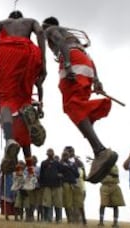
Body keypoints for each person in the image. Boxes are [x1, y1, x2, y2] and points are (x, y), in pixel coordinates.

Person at [41, 16, 117, 184]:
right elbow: (88, 56)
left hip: (72, 63)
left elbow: (60, 42)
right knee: (78, 107)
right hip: (86, 64)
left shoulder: (50, 30)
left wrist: (67, 64)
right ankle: (98, 150)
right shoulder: (72, 37)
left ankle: (100, 150)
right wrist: (96, 79)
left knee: (72, 106)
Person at [0, 10, 47, 194]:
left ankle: (10, 139)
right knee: (23, 107)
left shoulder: (3, 22)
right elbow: (41, 33)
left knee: (5, 102)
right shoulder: (31, 21)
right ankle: (25, 173)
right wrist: (43, 60)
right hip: (28, 55)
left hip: (6, 54)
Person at [39, 148, 64, 223]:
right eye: (48, 152)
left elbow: (63, 172)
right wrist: (41, 185)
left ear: (53, 153)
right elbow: (41, 175)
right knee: (47, 203)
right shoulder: (44, 163)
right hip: (47, 186)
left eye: (51, 152)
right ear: (47, 154)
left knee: (58, 203)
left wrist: (60, 176)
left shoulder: (57, 163)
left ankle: (58, 219)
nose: (50, 153)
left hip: (57, 185)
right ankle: (47, 219)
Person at [66, 146, 87, 225]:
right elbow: (85, 176)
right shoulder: (78, 162)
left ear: (71, 152)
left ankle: (81, 221)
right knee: (73, 205)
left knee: (78, 205)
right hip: (76, 186)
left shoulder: (78, 163)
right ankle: (75, 221)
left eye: (67, 152)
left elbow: (83, 176)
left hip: (79, 186)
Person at [60, 150, 79, 223]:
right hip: (66, 184)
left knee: (75, 202)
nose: (65, 156)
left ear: (69, 156)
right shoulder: (60, 164)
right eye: (64, 155)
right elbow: (60, 173)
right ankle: (69, 219)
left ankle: (75, 218)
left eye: (67, 155)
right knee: (67, 202)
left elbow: (77, 174)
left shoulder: (73, 164)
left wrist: (70, 168)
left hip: (74, 184)